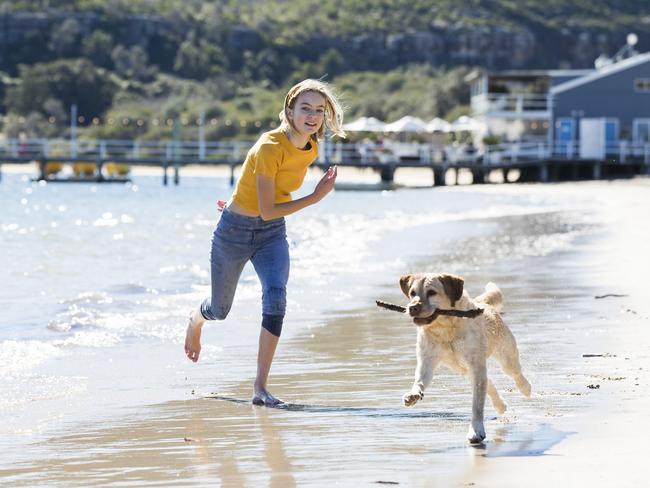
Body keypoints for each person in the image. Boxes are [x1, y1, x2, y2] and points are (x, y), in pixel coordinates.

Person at [184, 79, 346, 406]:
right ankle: (194, 320)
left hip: (271, 235)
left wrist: (241, 198)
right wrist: (314, 197)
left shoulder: (311, 147)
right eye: (305, 108)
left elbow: (271, 195)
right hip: (234, 233)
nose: (313, 116)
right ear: (289, 111)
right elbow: (269, 208)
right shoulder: (269, 145)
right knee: (220, 309)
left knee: (276, 297)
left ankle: (260, 387)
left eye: (319, 110)